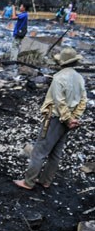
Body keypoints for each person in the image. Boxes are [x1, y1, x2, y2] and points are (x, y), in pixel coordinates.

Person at [14, 47, 86, 190]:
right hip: (69, 120)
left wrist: (67, 118)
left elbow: (59, 101)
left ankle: (28, 182)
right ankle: (46, 181)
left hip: (55, 119)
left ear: (62, 62)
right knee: (56, 152)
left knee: (39, 152)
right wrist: (74, 118)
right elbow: (83, 100)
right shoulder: (79, 78)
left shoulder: (59, 77)